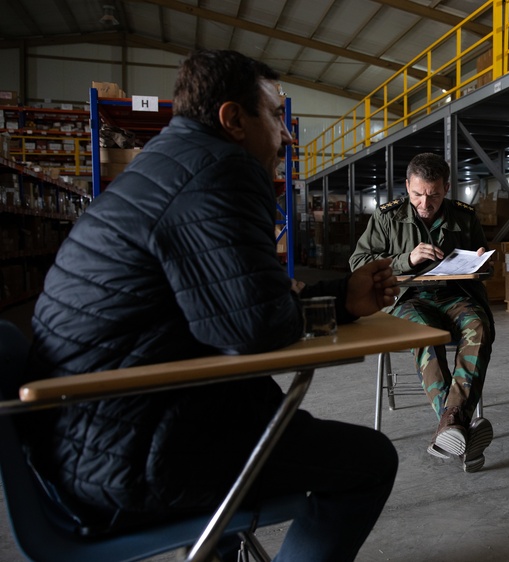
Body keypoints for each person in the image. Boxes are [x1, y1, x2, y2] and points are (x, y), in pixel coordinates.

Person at [25, 49, 400, 561]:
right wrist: (288, 304)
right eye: (273, 116)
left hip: (82, 445)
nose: (287, 135)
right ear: (233, 119)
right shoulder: (222, 168)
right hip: (134, 454)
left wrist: (340, 299)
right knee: (371, 460)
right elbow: (256, 324)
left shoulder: (165, 166)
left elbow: (230, 306)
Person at [349, 152, 495, 473]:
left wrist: (481, 260)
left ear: (446, 187)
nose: (425, 204)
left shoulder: (464, 215)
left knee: (479, 326)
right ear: (407, 186)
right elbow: (358, 264)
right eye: (417, 194)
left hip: (456, 296)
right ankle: (458, 425)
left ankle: (451, 428)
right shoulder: (387, 217)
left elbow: (484, 262)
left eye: (434, 195)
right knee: (424, 333)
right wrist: (406, 259)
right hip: (408, 299)